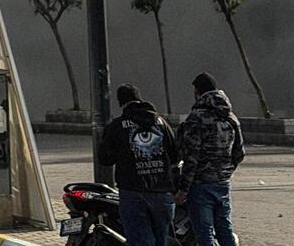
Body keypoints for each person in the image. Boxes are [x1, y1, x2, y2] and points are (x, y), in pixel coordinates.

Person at [98, 83, 178, 246]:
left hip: (132, 192)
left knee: (140, 241)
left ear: (121, 103)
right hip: (161, 192)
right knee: (161, 240)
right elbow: (176, 154)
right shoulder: (161, 122)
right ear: (139, 99)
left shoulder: (117, 126)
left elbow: (105, 159)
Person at [176, 72, 244, 246]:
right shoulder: (231, 117)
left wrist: (183, 189)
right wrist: (224, 171)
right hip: (222, 183)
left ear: (198, 91)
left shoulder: (196, 118)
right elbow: (239, 153)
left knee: (204, 233)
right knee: (225, 229)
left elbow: (191, 157)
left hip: (200, 185)